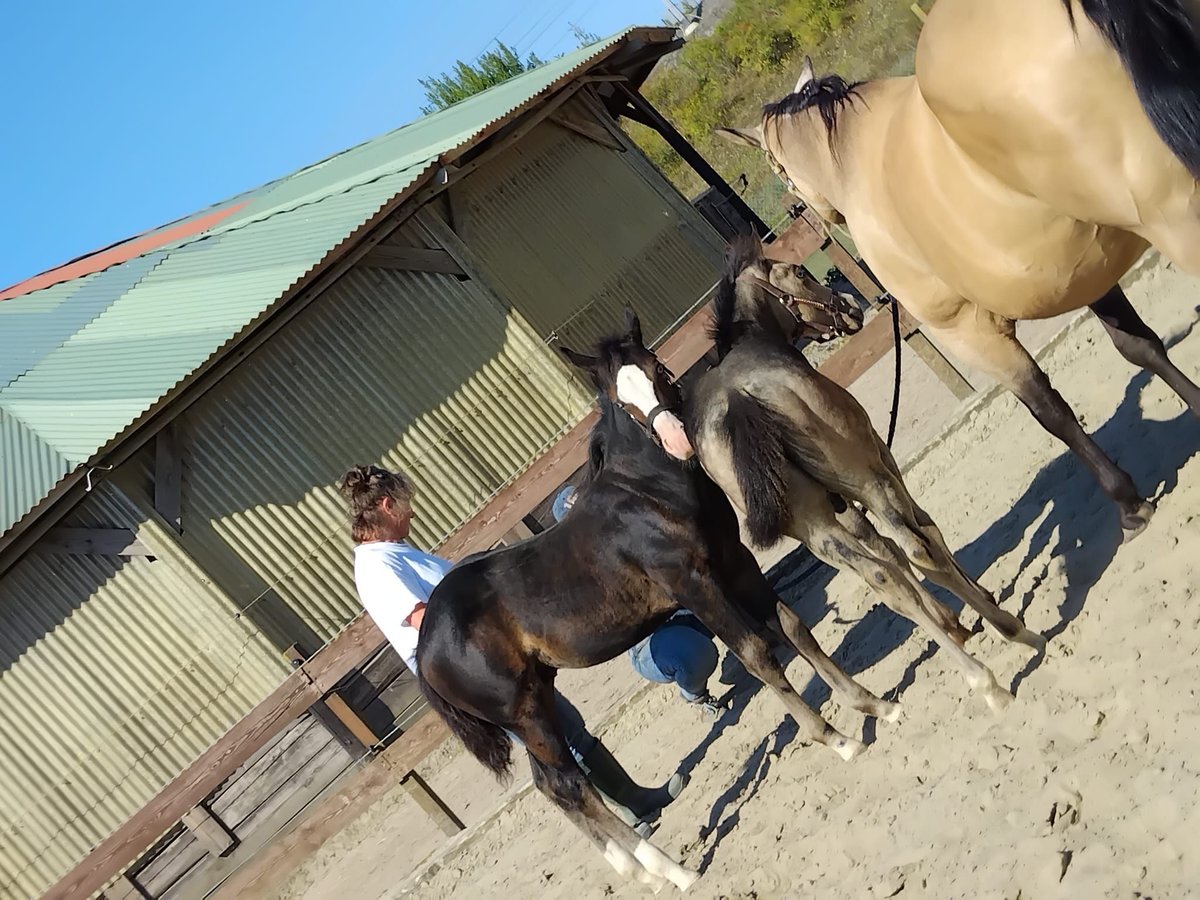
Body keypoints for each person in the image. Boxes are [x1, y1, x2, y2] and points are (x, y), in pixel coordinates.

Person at [338, 464, 684, 836]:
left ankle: (635, 803)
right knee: (555, 747)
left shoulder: (396, 554)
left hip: (494, 662)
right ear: (388, 506)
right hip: (477, 674)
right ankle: (620, 824)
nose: (412, 512)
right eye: (406, 505)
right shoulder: (378, 568)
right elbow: (429, 624)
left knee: (566, 731)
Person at [552, 485, 723, 719]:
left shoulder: (638, 525)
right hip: (654, 640)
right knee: (696, 654)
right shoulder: (588, 580)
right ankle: (695, 694)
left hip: (697, 606)